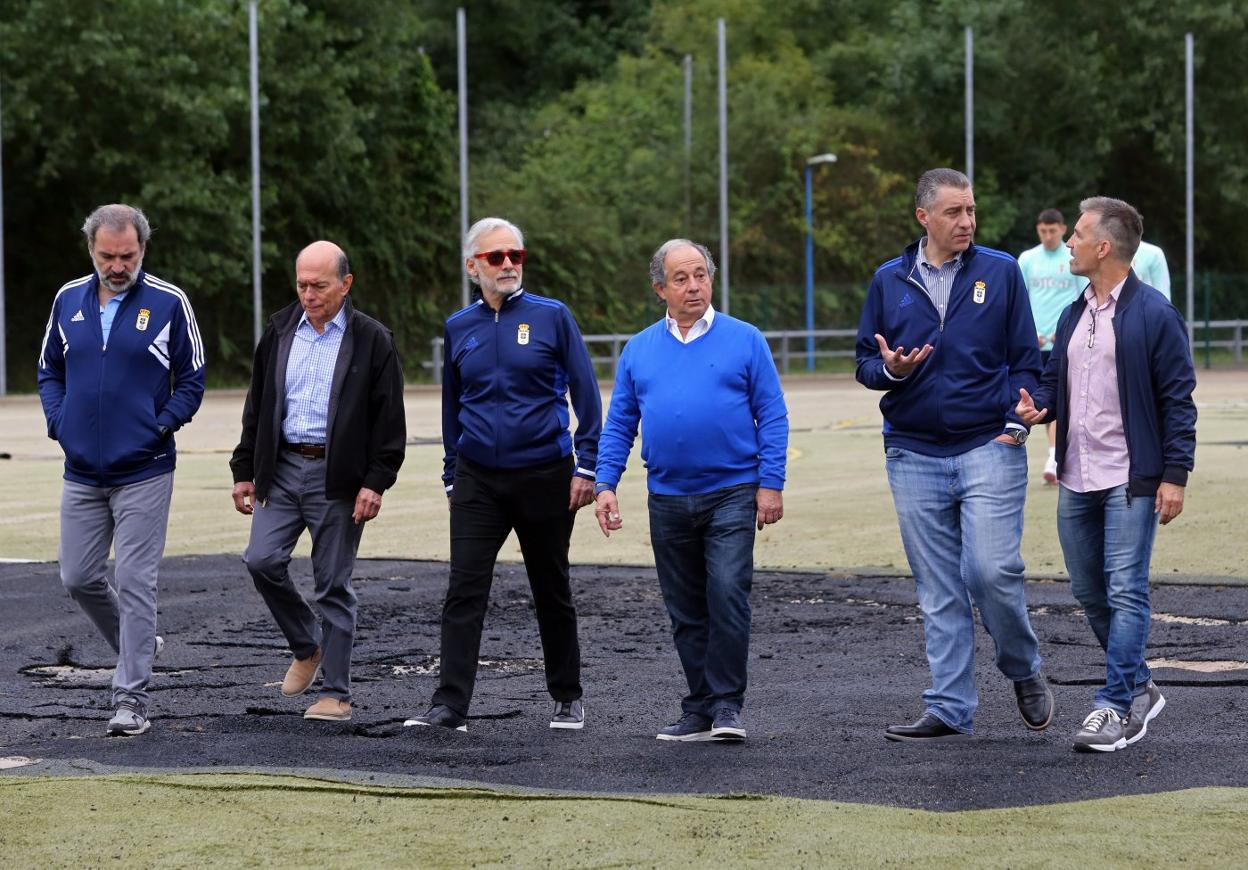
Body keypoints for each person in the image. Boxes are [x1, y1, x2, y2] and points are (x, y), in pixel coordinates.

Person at [855, 168, 1053, 742]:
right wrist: (890, 370)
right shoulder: (887, 280)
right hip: (912, 452)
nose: (966, 221)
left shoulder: (1002, 271)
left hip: (987, 442)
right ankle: (949, 706)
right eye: (953, 212)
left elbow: (1028, 363)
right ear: (924, 218)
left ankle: (1022, 667)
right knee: (937, 586)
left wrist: (1018, 421)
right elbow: (866, 365)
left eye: (970, 211)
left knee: (991, 572)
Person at [405, 217, 601, 733]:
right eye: (496, 257)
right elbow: (453, 405)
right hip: (478, 481)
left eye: (516, 255)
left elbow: (587, 395)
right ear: (474, 266)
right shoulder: (458, 327)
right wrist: (452, 474)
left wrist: (586, 465)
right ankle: (450, 706)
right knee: (463, 590)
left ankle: (567, 696)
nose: (509, 264)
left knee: (550, 586)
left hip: (545, 474)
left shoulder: (553, 317)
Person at [1016, 197, 1195, 752]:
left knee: (1125, 588)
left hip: (1131, 478)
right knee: (1090, 590)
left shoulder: (1155, 315)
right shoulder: (1074, 311)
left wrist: (1175, 474)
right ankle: (1141, 683)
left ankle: (1116, 705)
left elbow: (1178, 401)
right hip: (1076, 473)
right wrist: (1038, 406)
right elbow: (1053, 379)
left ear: (1104, 246)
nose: (1067, 241)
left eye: (1077, 233)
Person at [593, 239, 788, 743]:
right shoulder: (638, 350)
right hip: (668, 497)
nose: (693, 285)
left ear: (712, 279)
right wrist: (605, 484)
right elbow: (619, 425)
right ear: (660, 289)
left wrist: (771, 484)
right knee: (684, 608)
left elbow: (772, 414)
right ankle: (699, 707)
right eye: (680, 278)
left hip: (732, 492)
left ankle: (727, 705)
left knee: (726, 594)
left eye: (700, 274)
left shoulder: (745, 340)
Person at [37, 203, 206, 737]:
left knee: (136, 582)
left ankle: (130, 699)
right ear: (92, 249)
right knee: (78, 577)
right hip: (81, 469)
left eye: (127, 255)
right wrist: (60, 423)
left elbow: (193, 377)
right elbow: (49, 370)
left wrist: (161, 425)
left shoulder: (169, 303)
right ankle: (141, 642)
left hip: (146, 468)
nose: (117, 265)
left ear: (142, 249)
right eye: (107, 255)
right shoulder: (67, 300)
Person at [230, 241, 406, 723]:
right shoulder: (281, 328)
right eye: (302, 284)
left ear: (345, 285)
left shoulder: (372, 339)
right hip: (281, 469)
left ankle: (336, 694)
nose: (308, 294)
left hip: (340, 477)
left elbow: (389, 421)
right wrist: (243, 469)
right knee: (261, 559)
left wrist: (377, 481)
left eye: (319, 285)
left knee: (332, 584)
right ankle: (308, 645)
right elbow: (258, 403)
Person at [1018, 208, 1086, 484]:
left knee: (1061, 397)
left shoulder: (1073, 258)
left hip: (1064, 343)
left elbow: (1082, 296)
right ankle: (1050, 453)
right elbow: (1019, 301)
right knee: (1033, 399)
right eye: (1043, 231)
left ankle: (1054, 455)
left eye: (1052, 230)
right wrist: (1028, 333)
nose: (1047, 236)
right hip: (1034, 345)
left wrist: (1070, 331)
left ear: (1062, 229)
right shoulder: (1027, 259)